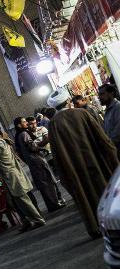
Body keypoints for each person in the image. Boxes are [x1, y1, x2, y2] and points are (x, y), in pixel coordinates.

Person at [47, 87, 120, 238]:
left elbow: (57, 154)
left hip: (74, 169)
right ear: (68, 101)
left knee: (86, 196)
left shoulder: (54, 124)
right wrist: (113, 158)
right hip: (96, 162)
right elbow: (103, 139)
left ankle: (96, 227)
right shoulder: (82, 114)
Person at [0, 131, 46, 231]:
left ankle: (38, 220)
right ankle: (27, 221)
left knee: (24, 199)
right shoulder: (2, 142)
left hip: (12, 177)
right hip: (12, 175)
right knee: (18, 201)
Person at [13, 116, 65, 213]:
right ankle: (54, 204)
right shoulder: (24, 134)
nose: (27, 124)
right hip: (37, 161)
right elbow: (32, 147)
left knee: (44, 184)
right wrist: (41, 148)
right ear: (19, 125)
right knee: (47, 183)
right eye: (24, 122)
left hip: (33, 162)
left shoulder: (18, 135)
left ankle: (53, 204)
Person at [98, 83, 120, 154]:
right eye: (99, 95)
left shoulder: (117, 107)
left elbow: (117, 132)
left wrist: (109, 145)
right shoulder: (108, 110)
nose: (99, 97)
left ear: (111, 93)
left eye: (102, 94)